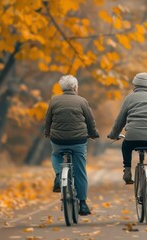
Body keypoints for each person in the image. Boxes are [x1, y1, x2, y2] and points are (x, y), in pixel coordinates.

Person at [107, 72, 147, 213]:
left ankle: (127, 170)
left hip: (133, 137)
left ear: (135, 84)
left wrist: (114, 135)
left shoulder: (129, 98)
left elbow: (120, 120)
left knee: (126, 145)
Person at [44, 75, 99, 216]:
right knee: (80, 171)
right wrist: (93, 133)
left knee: (56, 154)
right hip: (78, 141)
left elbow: (48, 120)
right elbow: (90, 120)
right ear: (75, 87)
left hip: (58, 140)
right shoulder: (82, 101)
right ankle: (83, 204)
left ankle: (58, 175)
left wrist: (47, 133)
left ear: (62, 88)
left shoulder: (54, 101)